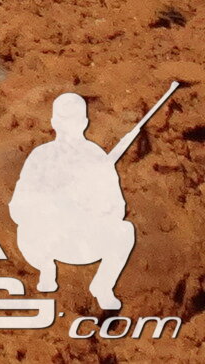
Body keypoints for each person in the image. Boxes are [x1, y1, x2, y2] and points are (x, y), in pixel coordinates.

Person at [9, 92, 139, 311]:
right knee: (26, 229)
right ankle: (46, 268)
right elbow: (18, 208)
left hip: (83, 241)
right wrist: (49, 207)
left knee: (125, 231)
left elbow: (117, 209)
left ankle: (103, 286)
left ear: (54, 122)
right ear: (84, 122)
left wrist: (89, 205)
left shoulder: (96, 157)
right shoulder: (41, 156)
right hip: (47, 240)